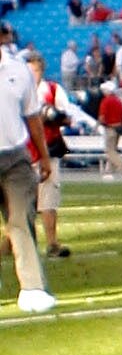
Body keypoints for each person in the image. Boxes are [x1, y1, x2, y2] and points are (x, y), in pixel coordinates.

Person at [0, 19, 51, 313]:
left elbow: (32, 117)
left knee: (20, 219)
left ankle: (32, 289)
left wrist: (43, 156)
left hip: (15, 158)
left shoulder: (19, 71)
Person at [25, 47, 87, 259]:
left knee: (48, 199)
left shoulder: (52, 89)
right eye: (28, 71)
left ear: (41, 71)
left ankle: (52, 243)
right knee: (20, 202)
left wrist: (53, 116)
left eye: (34, 71)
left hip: (48, 150)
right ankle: (14, 243)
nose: (32, 75)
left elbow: (69, 116)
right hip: (22, 153)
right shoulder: (14, 92)